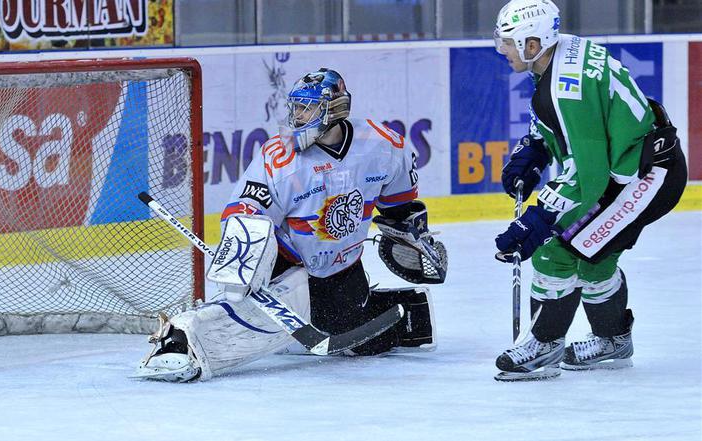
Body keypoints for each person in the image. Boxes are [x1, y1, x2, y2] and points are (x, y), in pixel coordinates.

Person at [133, 68, 448, 382]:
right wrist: (243, 258)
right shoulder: (279, 157)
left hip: (343, 273)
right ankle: (179, 341)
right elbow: (244, 211)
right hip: (286, 266)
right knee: (247, 318)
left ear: (335, 109)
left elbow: (399, 207)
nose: (297, 115)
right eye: (296, 106)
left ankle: (288, 334)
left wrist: (411, 236)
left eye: (307, 107)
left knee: (370, 341)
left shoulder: (382, 146)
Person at [491, 0, 687, 381]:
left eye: (509, 43)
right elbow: (572, 126)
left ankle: (544, 345)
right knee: (594, 253)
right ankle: (612, 340)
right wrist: (537, 145)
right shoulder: (559, 50)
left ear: (533, 45)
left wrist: (540, 216)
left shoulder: (567, 88)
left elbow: (589, 175)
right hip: (639, 162)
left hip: (644, 176)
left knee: (557, 247)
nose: (503, 50)